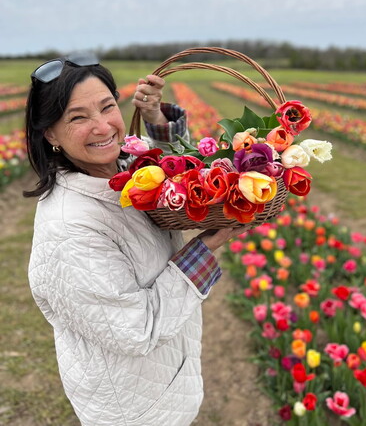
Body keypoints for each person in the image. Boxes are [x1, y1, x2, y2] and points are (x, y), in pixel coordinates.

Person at [25, 51, 246, 426]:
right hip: (134, 410)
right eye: (78, 117)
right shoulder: (68, 229)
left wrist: (156, 119)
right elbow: (134, 330)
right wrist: (204, 248)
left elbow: (158, 170)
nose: (103, 126)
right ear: (50, 133)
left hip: (159, 382)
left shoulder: (117, 171)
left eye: (107, 106)